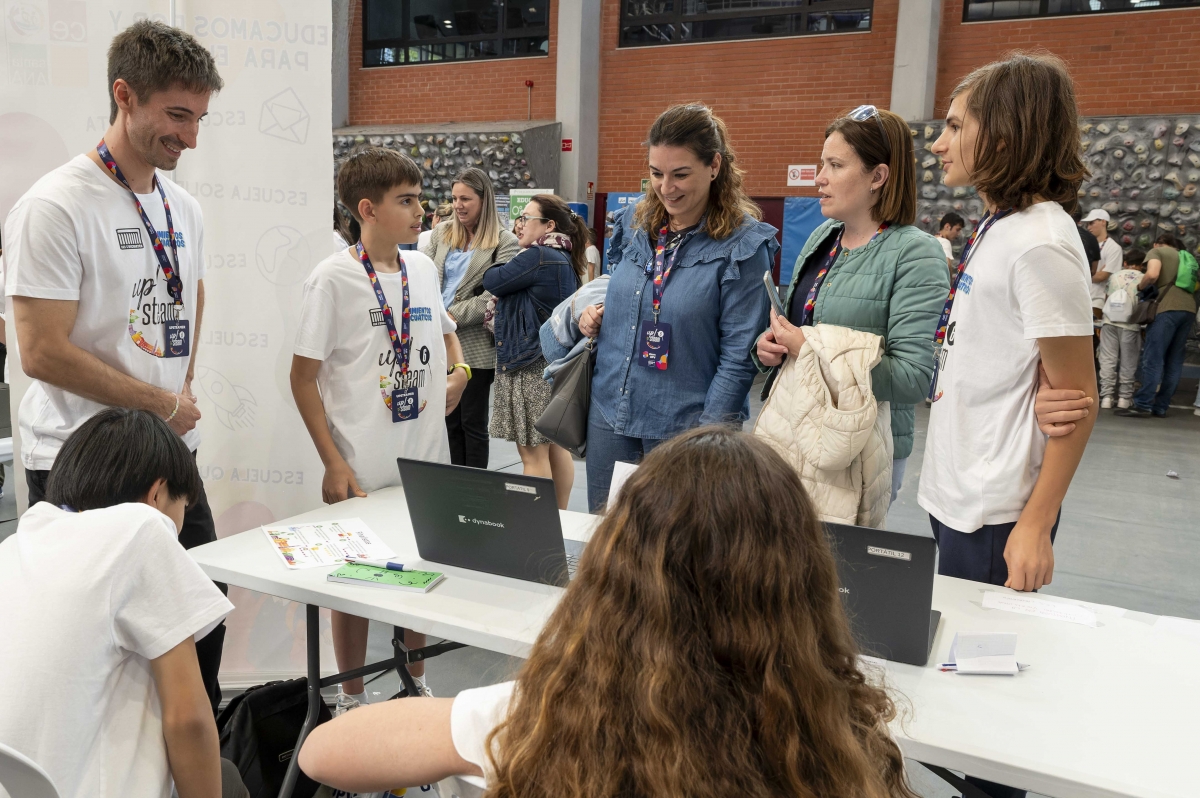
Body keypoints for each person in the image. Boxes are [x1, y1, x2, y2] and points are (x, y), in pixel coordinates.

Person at [297, 427, 918, 798]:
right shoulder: (839, 742)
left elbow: (322, 753)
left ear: (614, 572)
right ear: (804, 581)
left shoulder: (545, 721)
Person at [1, 19, 228, 709]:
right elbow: (40, 350)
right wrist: (161, 402)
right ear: (124, 95)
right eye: (177, 116)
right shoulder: (54, 206)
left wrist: (180, 382)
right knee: (99, 658)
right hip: (82, 462)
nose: (191, 138)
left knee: (201, 626)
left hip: (169, 450)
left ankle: (192, 761)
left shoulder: (182, 207)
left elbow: (190, 292)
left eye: (199, 119)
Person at [920, 53, 1097, 798]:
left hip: (998, 510)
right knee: (962, 686)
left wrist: (1035, 524)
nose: (939, 143)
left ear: (1005, 132)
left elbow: (1078, 398)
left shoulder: (1042, 242)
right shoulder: (1001, 225)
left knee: (988, 707)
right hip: (958, 491)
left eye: (954, 125)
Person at [291, 148, 469, 708]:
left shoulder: (423, 269)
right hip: (363, 468)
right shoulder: (332, 279)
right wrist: (333, 462)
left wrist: (460, 372)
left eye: (419, 198)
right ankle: (351, 696)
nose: (421, 211)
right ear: (367, 209)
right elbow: (302, 378)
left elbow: (447, 333)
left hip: (426, 462)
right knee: (356, 584)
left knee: (419, 577)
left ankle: (415, 684)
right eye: (406, 201)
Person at [0, 408, 247, 798]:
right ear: (157, 494)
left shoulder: (19, 542)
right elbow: (188, 720)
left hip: (19, 783)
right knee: (227, 780)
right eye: (182, 507)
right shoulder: (142, 528)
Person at [578, 104, 778, 510]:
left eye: (680, 174)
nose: (666, 188)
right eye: (656, 173)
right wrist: (597, 315)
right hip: (610, 414)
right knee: (607, 535)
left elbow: (738, 358)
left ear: (714, 165)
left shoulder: (742, 246)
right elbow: (625, 293)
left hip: (684, 428)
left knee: (677, 544)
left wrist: (708, 440)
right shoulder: (635, 225)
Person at [754, 105, 949, 506]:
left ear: (878, 176)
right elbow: (800, 328)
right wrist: (770, 347)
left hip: (859, 449)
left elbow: (913, 377)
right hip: (794, 429)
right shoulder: (824, 236)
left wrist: (809, 352)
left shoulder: (915, 254)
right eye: (821, 163)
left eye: (835, 165)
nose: (819, 177)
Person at [482, 194, 584, 508]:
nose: (520, 224)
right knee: (555, 448)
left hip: (528, 365)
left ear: (549, 225)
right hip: (552, 364)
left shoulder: (538, 255)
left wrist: (500, 259)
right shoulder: (565, 258)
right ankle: (560, 517)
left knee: (532, 455)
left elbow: (493, 280)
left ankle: (536, 527)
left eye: (527, 218)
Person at [423, 168, 521, 468]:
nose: (458, 205)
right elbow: (423, 276)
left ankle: (475, 486)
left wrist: (450, 315)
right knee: (448, 422)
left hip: (476, 346)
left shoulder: (505, 241)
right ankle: (454, 482)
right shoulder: (441, 234)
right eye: (454, 199)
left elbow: (497, 295)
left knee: (472, 423)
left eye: (465, 199)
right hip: (438, 342)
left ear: (484, 199)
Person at [1118, 234, 1197, 417]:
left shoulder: (1157, 252)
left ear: (1156, 244)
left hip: (1166, 308)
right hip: (1188, 309)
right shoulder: (1187, 256)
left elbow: (1152, 274)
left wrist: (1140, 286)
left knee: (1153, 357)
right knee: (1174, 361)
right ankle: (1161, 407)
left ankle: (1143, 404)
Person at [1097, 248, 1145, 409]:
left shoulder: (1114, 276)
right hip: (1130, 325)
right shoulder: (1143, 278)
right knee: (1128, 361)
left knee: (1107, 359)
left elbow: (1107, 298)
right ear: (1141, 265)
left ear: (1125, 262)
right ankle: (1124, 397)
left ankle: (1106, 396)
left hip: (1109, 322)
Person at [1083, 209, 1122, 314]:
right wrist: (1095, 273)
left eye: (1092, 223)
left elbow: (1102, 276)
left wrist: (1082, 275)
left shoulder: (1113, 248)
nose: (1088, 227)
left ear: (1103, 222)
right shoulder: (1085, 245)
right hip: (1082, 297)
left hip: (1098, 301)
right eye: (1088, 224)